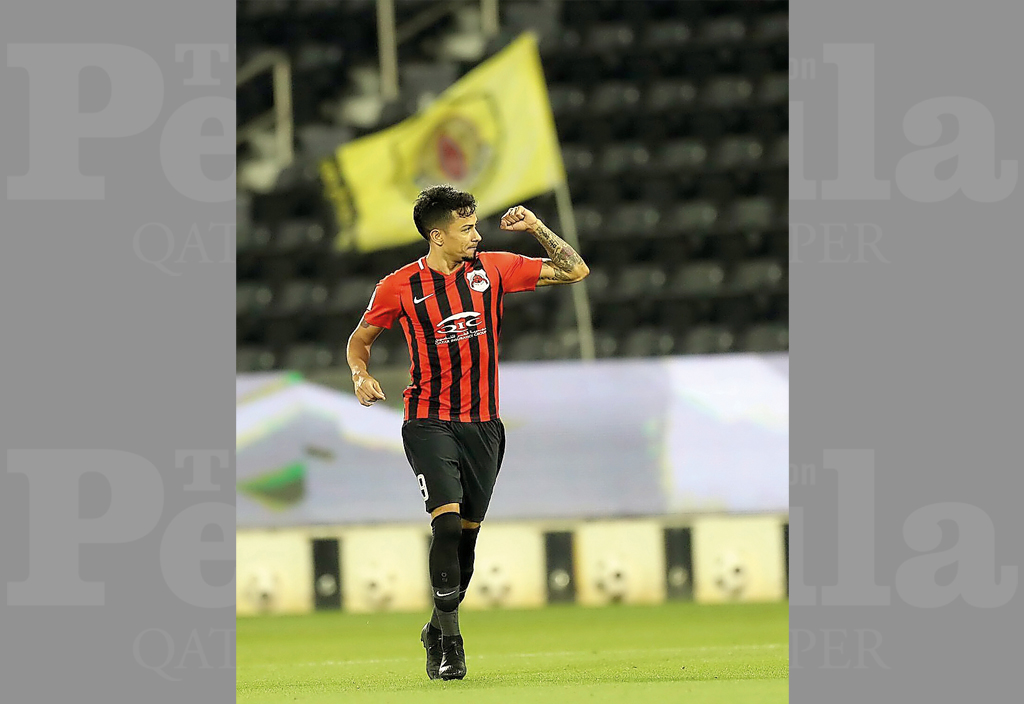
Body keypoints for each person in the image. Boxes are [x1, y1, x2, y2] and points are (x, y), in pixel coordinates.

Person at [345, 184, 589, 680]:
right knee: (447, 524)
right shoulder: (398, 287)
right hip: (428, 420)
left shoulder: (494, 269)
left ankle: (436, 626)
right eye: (466, 228)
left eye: (475, 224)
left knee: (467, 543)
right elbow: (360, 338)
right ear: (437, 236)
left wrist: (536, 228)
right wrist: (360, 374)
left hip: (484, 426)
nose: (476, 234)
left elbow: (575, 270)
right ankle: (452, 644)